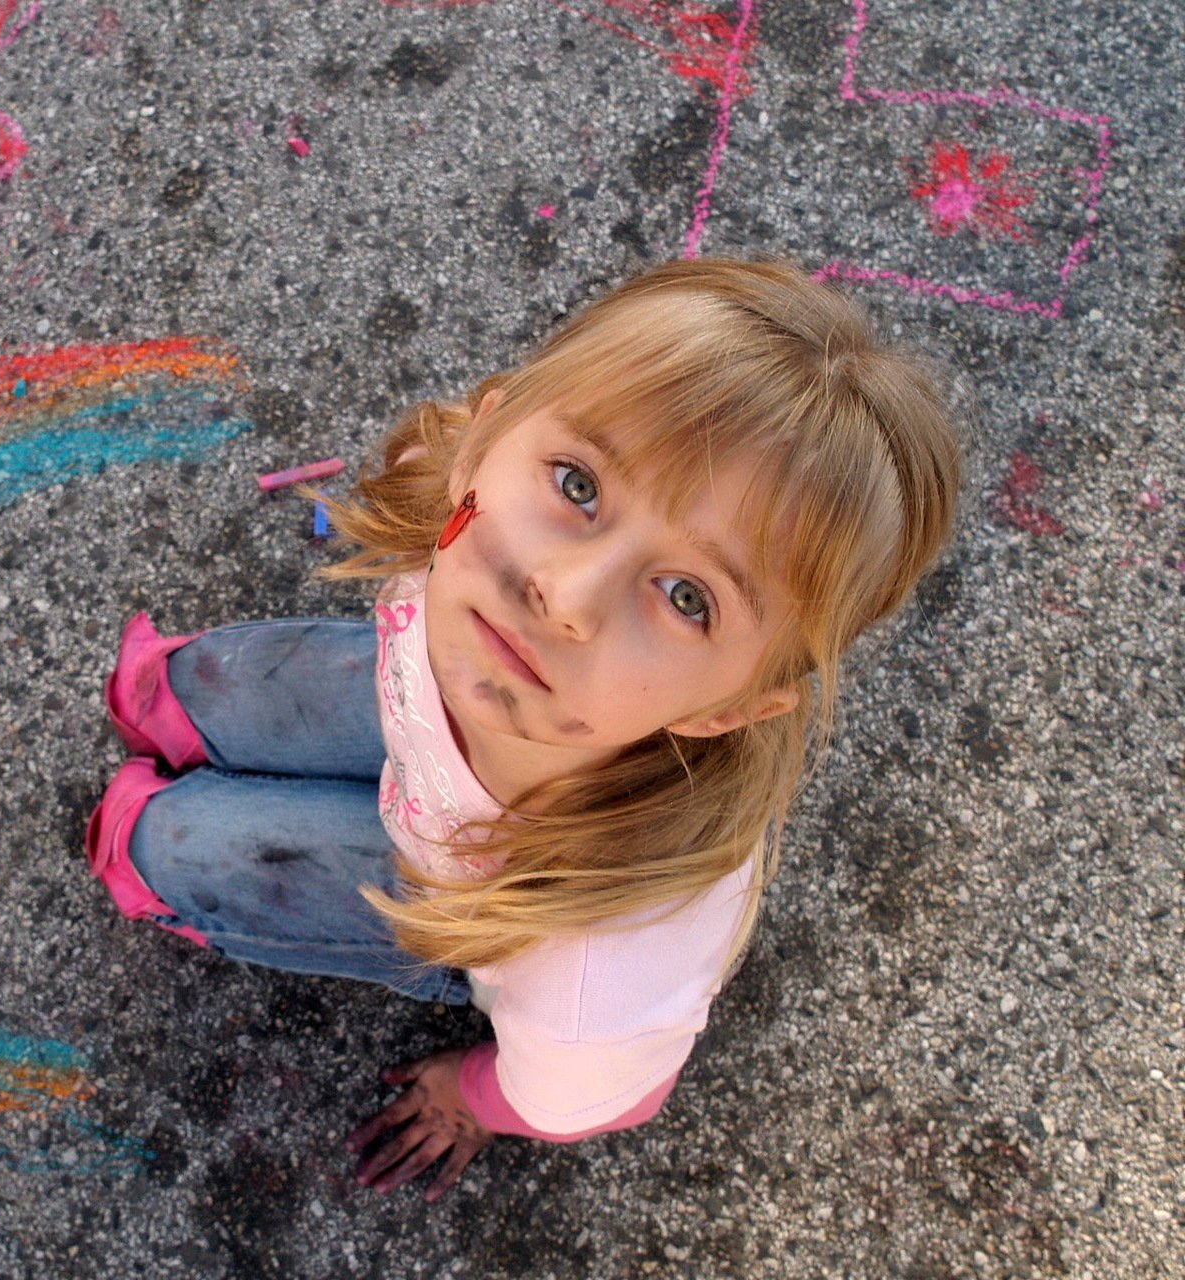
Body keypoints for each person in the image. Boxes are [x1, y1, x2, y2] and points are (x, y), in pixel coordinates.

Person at [83, 257, 961, 1201]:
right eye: (580, 486)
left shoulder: (602, 966)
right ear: (488, 436)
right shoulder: (497, 605)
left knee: (169, 846)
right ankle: (173, 714)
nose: (564, 595)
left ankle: (157, 843)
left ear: (730, 709)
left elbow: (593, 1097)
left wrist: (472, 1095)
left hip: (484, 895)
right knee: (205, 683)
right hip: (421, 715)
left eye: (686, 597)